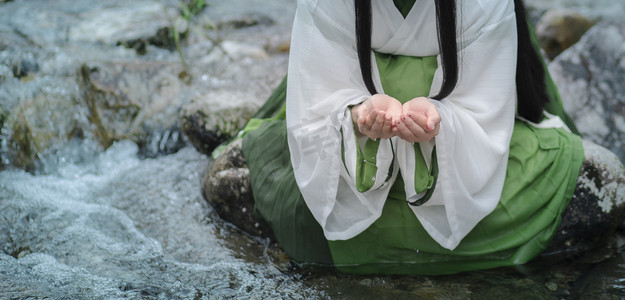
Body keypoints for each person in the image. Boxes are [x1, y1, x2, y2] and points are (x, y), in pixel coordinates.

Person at [207, 0, 625, 275]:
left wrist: (442, 118)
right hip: (356, 129)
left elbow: (484, 101)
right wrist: (356, 114)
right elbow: (319, 85)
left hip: (461, 125)